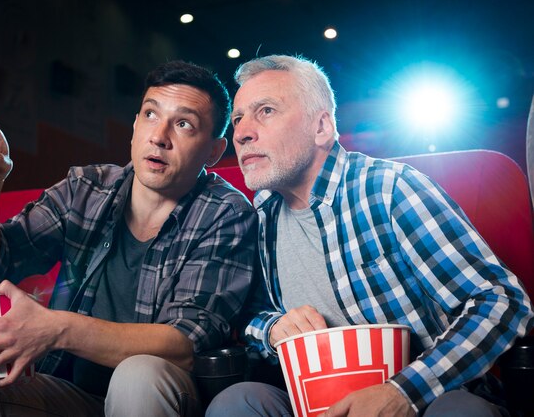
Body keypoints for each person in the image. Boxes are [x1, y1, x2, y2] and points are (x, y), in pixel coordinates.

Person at [0, 60, 258, 417]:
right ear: (134, 126)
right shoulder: (88, 188)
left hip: (165, 393)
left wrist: (57, 329)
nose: (159, 136)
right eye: (149, 114)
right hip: (70, 392)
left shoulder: (226, 212)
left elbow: (186, 342)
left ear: (213, 151)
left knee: (138, 374)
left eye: (183, 124)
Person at [206, 55, 534, 417]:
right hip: (317, 404)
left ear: (321, 128)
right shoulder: (261, 214)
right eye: (237, 118)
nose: (241, 132)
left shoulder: (390, 189)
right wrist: (272, 327)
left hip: (423, 400)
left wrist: (402, 393)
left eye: (265, 111)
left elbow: (502, 301)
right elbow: (250, 314)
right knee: (237, 402)